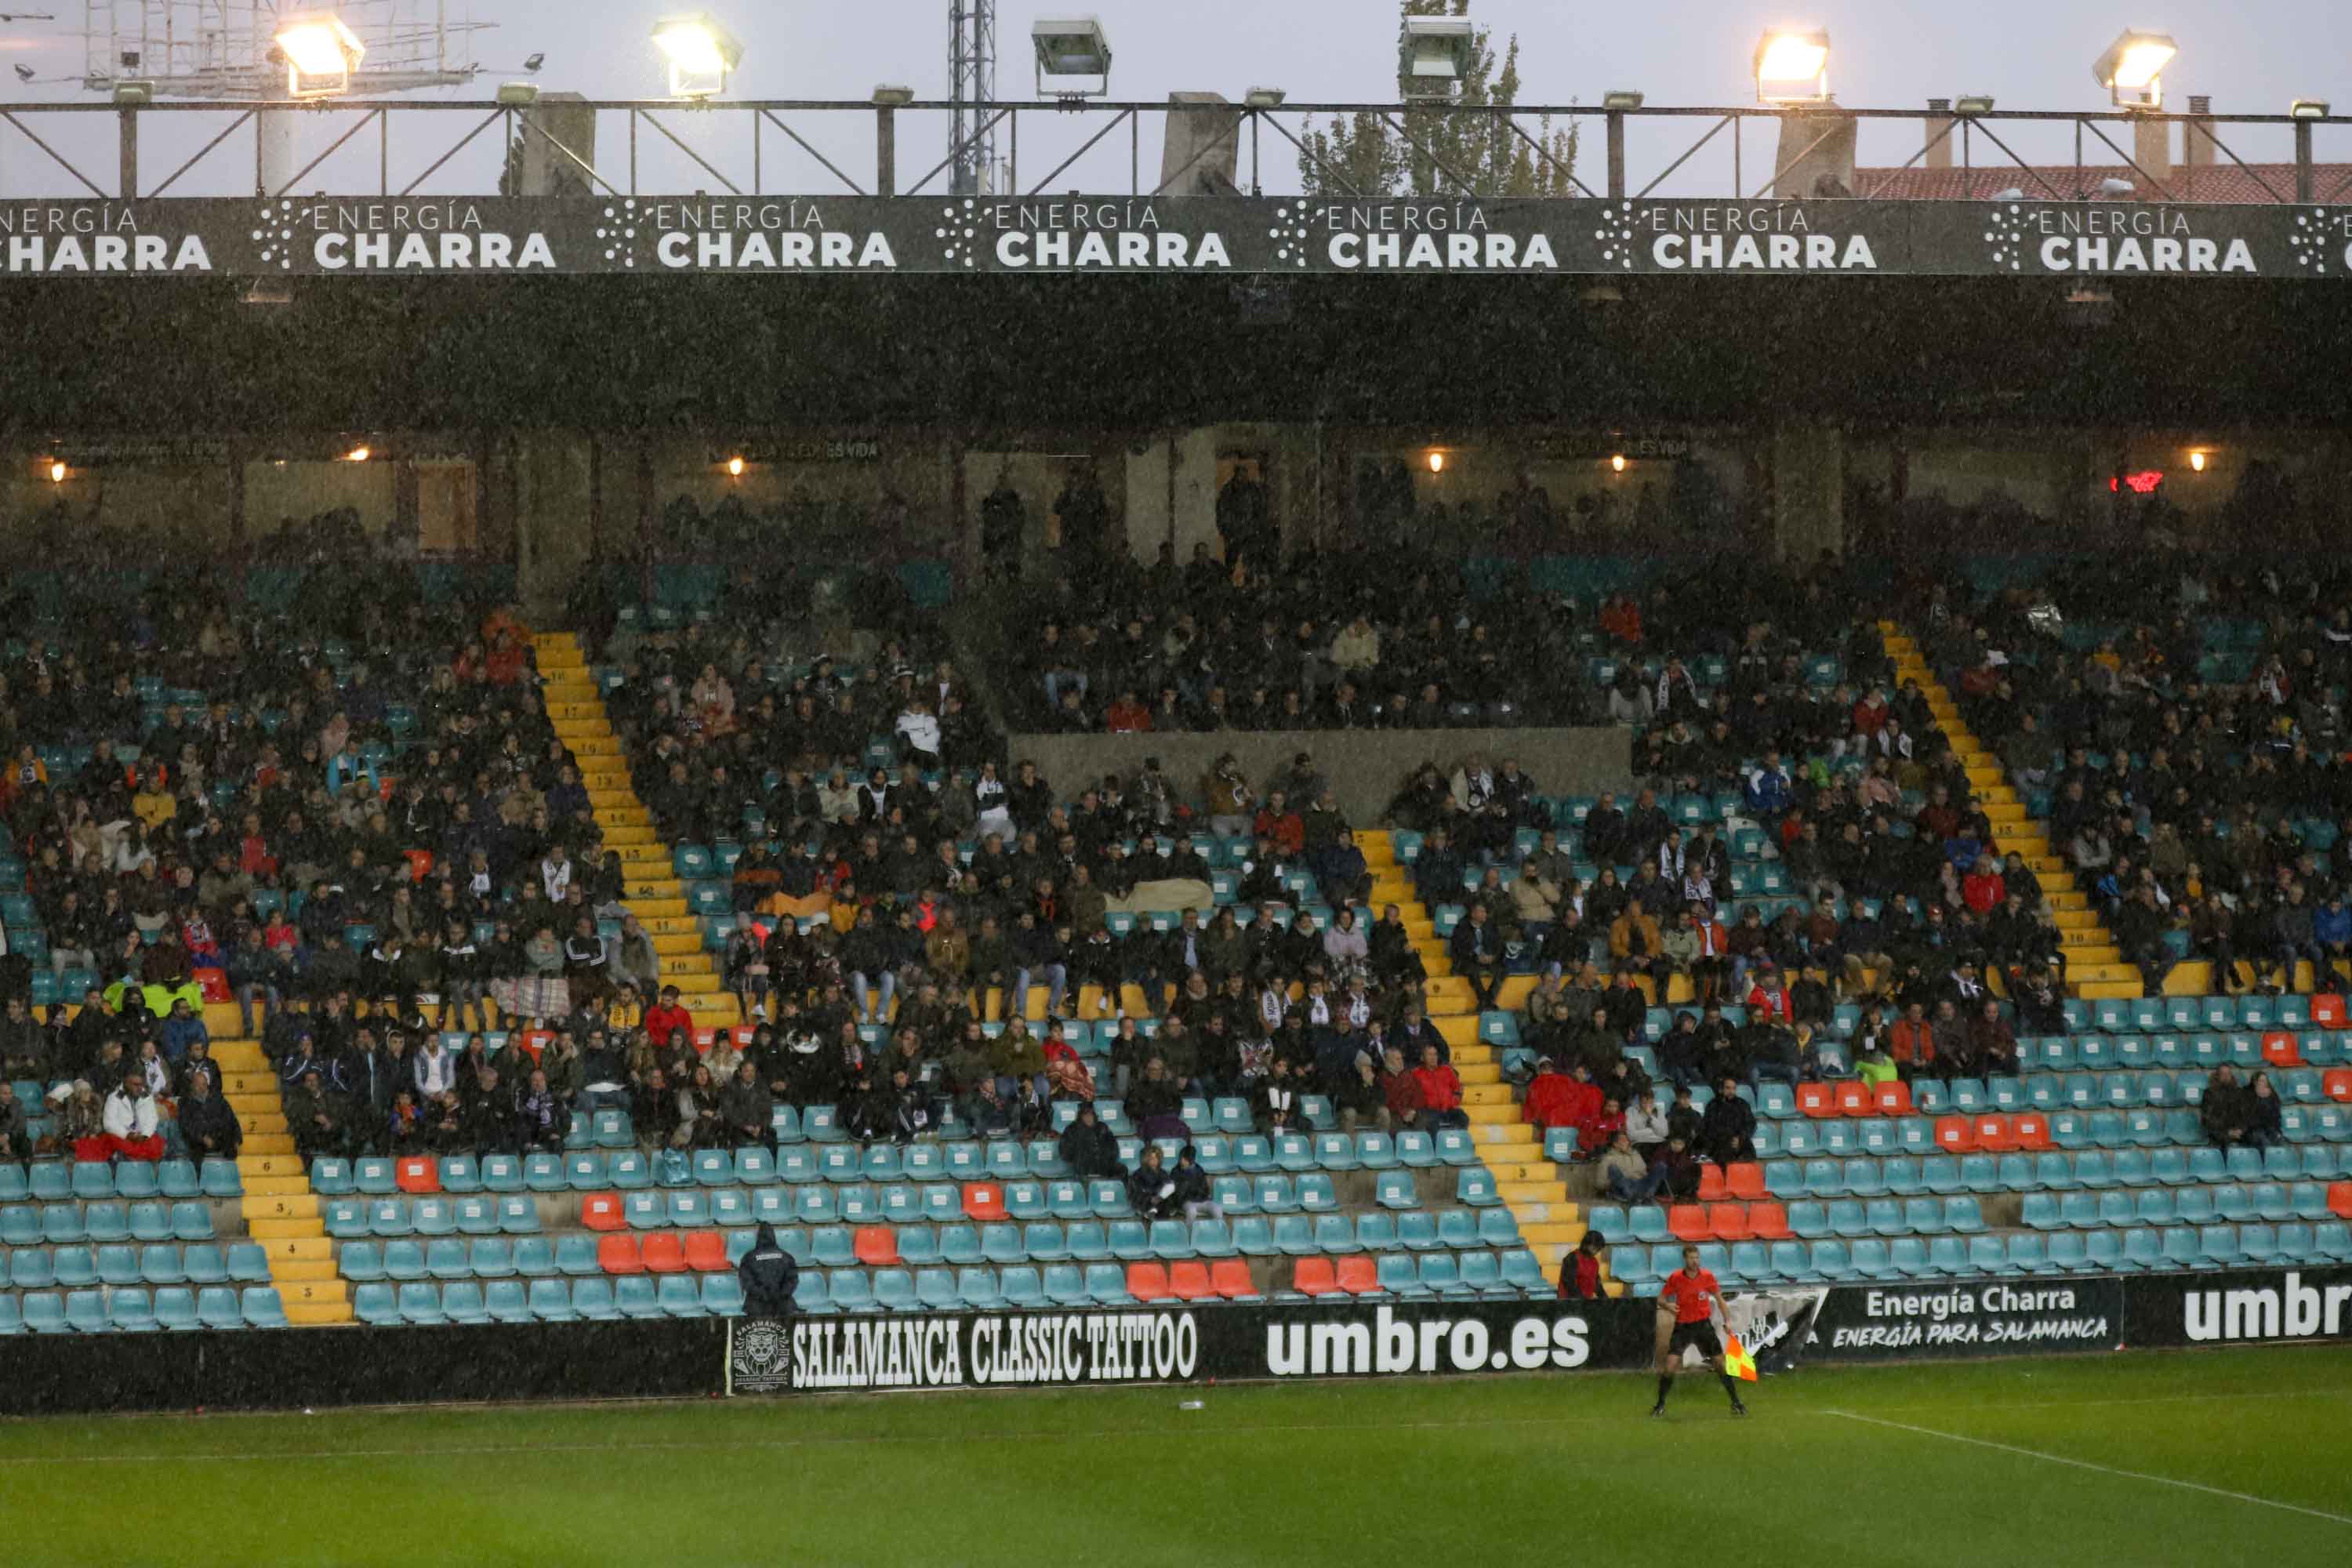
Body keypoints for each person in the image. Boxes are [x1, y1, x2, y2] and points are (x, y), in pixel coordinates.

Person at [1653, 1243, 1748, 1418]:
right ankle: (1660, 1405)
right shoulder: (1676, 1278)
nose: (1695, 1261)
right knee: (1670, 1366)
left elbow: (1720, 1300)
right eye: (1691, 1258)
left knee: (1720, 1364)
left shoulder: (1707, 1276)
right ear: (1685, 1259)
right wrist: (1667, 1305)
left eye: (1697, 1257)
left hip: (1703, 1326)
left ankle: (1736, 1402)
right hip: (1683, 1327)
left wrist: (1727, 1320)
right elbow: (1660, 1298)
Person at [738, 1221, 801, 1318]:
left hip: (757, 1307)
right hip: (783, 1307)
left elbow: (747, 1283)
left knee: (759, 1333)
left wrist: (764, 1295)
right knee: (784, 1333)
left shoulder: (748, 1258)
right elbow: (792, 1280)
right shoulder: (786, 1257)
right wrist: (779, 1295)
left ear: (758, 1236)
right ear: (773, 1236)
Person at [1058, 1102, 1125, 1181]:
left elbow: (1114, 1149)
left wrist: (1106, 1159)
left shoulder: (1102, 1127)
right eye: (1085, 1115)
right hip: (1083, 1171)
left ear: (1094, 1115)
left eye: (1091, 1114)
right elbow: (1064, 1154)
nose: (1088, 1118)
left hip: (1104, 1169)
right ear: (1080, 1116)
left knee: (1123, 1170)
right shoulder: (1072, 1129)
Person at [1127, 1142, 1180, 1219]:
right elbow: (1134, 1194)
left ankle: (1155, 1211)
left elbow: (1169, 1187)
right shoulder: (1137, 1175)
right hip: (1145, 1202)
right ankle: (1150, 1211)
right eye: (1152, 1158)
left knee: (1168, 1196)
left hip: (1159, 1202)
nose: (1154, 1160)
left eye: (1157, 1158)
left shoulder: (1163, 1173)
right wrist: (1151, 1199)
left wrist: (1160, 1196)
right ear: (1146, 1159)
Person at [1558, 1232, 1608, 1300]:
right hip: (1568, 1303)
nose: (1596, 1251)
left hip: (1584, 1304)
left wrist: (1606, 1300)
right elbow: (1570, 1285)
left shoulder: (1594, 1262)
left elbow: (1597, 1285)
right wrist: (1583, 1302)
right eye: (1595, 1247)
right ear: (1586, 1243)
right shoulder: (1572, 1258)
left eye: (1598, 1248)